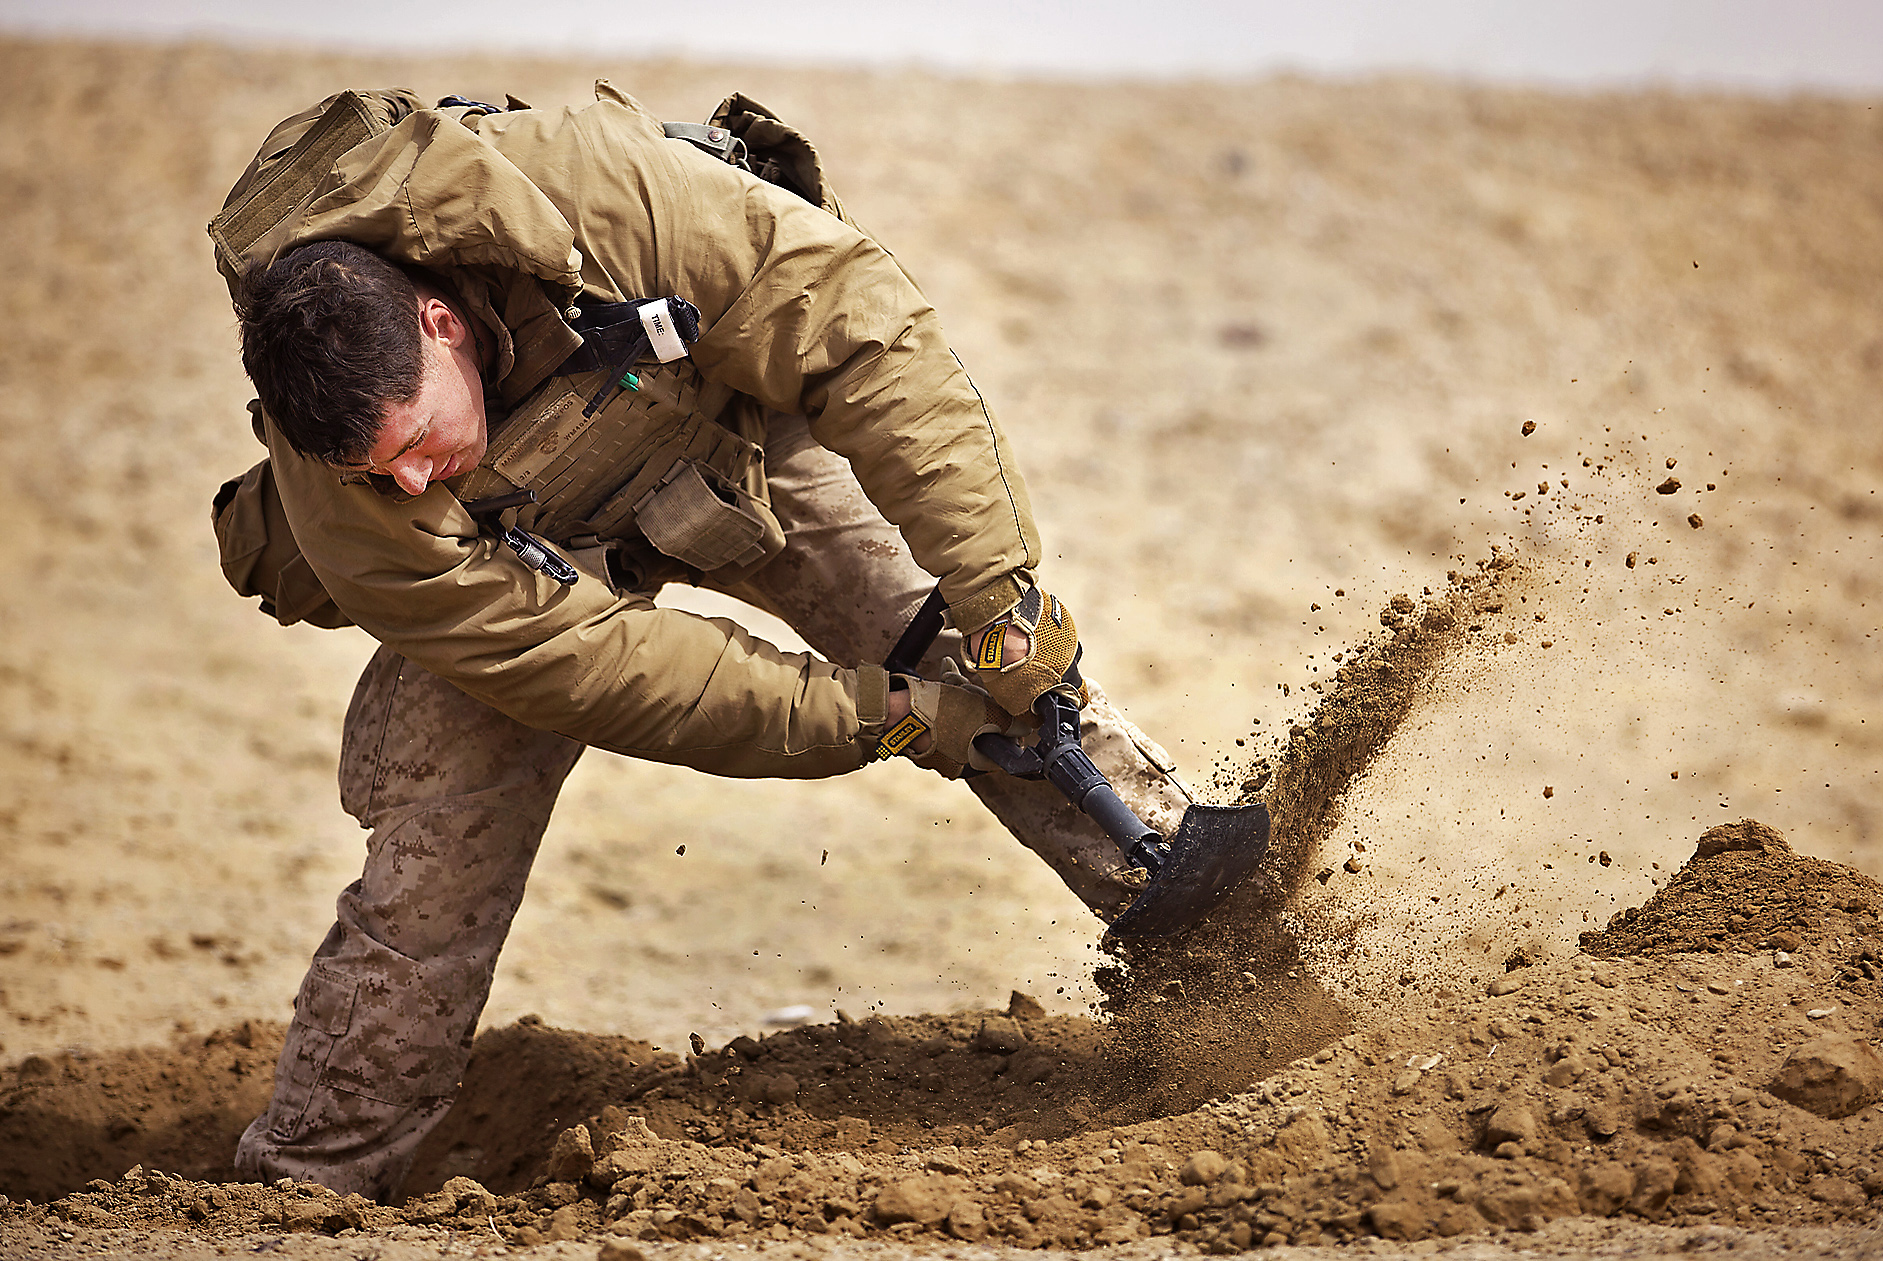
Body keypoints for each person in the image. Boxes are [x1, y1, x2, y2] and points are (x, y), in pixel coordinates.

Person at [208, 83, 1194, 1201]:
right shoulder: (353, 505)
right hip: (525, 559)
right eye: (376, 473)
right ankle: (307, 1189)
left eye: (418, 442)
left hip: (723, 441)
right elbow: (614, 675)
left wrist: (997, 594)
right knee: (433, 863)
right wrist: (890, 720)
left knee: (977, 653)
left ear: (440, 324)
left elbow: (861, 331)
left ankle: (1217, 947)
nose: (411, 481)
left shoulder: (595, 195)